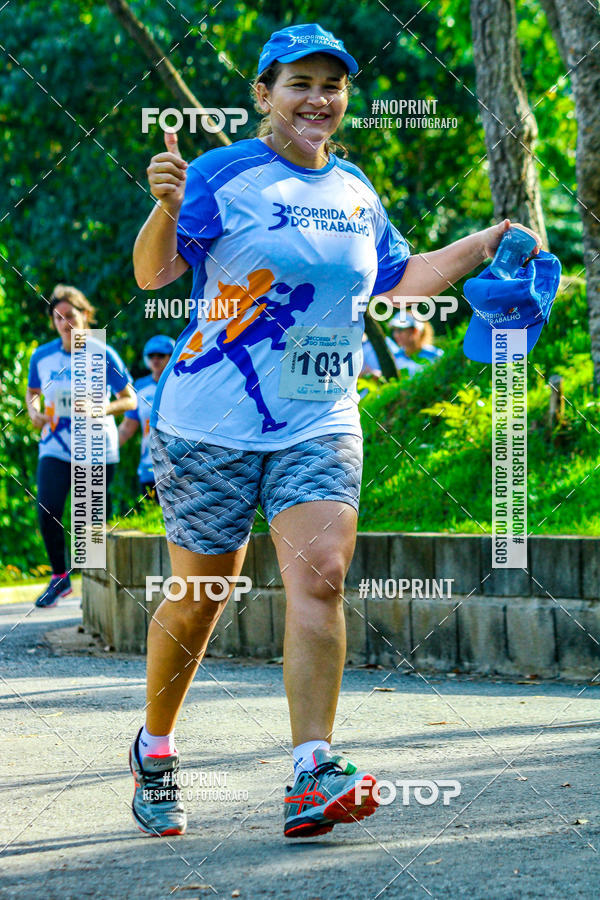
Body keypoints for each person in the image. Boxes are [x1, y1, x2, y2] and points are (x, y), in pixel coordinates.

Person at [129, 22, 541, 839]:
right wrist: (167, 208)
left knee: (320, 572)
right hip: (208, 421)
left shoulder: (356, 190)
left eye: (333, 85)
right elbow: (153, 273)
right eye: (300, 84)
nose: (319, 99)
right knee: (203, 599)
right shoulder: (222, 173)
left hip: (319, 418)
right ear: (265, 95)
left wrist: (487, 242)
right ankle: (157, 746)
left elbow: (402, 278)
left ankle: (312, 770)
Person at [26, 284, 136, 608]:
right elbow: (33, 392)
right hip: (55, 444)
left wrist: (99, 408)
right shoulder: (41, 355)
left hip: (96, 445)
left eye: (71, 316)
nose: (65, 323)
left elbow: (129, 399)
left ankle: (94, 597)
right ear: (53, 322)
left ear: (85, 316)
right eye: (58, 317)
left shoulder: (103, 353)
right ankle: (60, 578)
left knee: (90, 528)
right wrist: (33, 412)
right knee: (47, 509)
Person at [118, 335, 175, 500]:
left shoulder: (182, 384)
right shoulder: (139, 387)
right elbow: (128, 427)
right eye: (151, 356)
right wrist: (104, 449)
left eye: (161, 355)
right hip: (149, 466)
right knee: (151, 519)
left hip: (180, 467)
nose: (155, 360)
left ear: (172, 356)